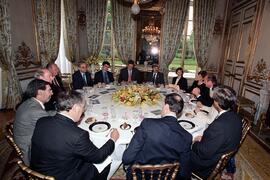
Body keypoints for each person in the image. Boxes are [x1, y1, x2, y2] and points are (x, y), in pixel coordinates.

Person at [31, 91, 119, 180]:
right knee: (107, 160)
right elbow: (98, 157)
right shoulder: (78, 135)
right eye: (83, 108)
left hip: (37, 171)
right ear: (76, 108)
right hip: (63, 176)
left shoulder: (42, 121)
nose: (83, 111)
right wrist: (112, 139)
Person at [122, 93, 192, 179]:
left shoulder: (148, 124)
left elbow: (126, 159)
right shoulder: (187, 137)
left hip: (140, 175)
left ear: (166, 106)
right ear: (179, 111)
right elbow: (184, 172)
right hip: (166, 177)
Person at [191, 86, 242, 179]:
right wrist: (204, 139)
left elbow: (203, 153)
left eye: (214, 99)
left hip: (207, 165)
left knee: (181, 148)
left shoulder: (218, 126)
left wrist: (195, 143)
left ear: (217, 103)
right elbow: (218, 138)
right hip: (220, 151)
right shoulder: (236, 117)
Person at [13, 79, 53, 165]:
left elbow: (46, 114)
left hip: (24, 140)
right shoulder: (35, 111)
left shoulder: (30, 102)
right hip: (30, 151)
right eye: (49, 90)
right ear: (39, 92)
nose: (52, 93)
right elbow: (53, 129)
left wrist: (60, 112)